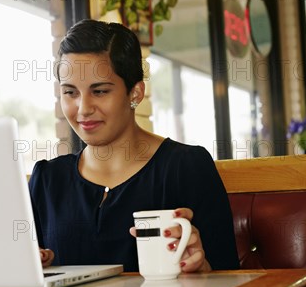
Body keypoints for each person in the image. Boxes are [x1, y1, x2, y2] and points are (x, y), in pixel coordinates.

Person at [28, 19, 239, 273]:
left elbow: (228, 278)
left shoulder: (186, 167)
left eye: (100, 91)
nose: (83, 109)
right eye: (70, 93)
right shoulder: (47, 180)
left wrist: (201, 267)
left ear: (135, 94)